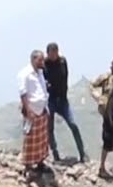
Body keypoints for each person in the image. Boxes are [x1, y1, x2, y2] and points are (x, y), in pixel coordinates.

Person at [43, 42, 88, 163]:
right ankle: (55, 153)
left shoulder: (63, 62)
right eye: (51, 53)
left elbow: (65, 77)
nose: (54, 55)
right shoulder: (44, 65)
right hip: (50, 100)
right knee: (50, 128)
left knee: (73, 124)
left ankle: (82, 153)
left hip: (63, 100)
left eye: (56, 52)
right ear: (48, 53)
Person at [17, 49, 52, 178]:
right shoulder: (25, 74)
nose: (42, 62)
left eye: (43, 60)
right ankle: (27, 165)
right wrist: (28, 110)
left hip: (42, 109)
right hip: (32, 110)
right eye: (40, 60)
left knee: (42, 139)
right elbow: (23, 93)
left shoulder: (40, 73)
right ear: (33, 59)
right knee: (30, 138)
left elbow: (42, 88)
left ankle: (40, 162)